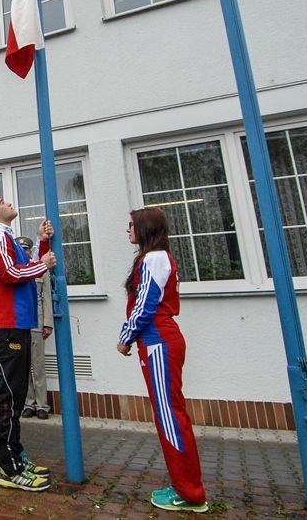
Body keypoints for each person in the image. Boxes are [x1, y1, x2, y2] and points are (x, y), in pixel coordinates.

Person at [118, 208, 208, 513]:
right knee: (170, 413)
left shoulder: (154, 258)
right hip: (156, 340)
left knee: (170, 415)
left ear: (144, 228)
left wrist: (125, 337)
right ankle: (186, 486)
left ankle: (190, 493)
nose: (127, 230)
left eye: (131, 225)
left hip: (158, 340)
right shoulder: (152, 257)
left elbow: (145, 306)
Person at [0, 194, 55, 492]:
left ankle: (17, 457)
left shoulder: (8, 237)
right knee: (6, 395)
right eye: (2, 201)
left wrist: (42, 244)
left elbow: (30, 267)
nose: (9, 202)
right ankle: (8, 468)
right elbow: (10, 275)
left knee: (17, 394)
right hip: (5, 322)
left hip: (19, 322)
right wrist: (43, 263)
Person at [16, 236, 53, 420]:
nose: (24, 252)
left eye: (26, 249)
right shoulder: (16, 271)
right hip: (19, 324)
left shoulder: (40, 269)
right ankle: (28, 403)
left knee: (38, 366)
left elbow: (46, 298)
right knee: (23, 366)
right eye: (20, 249)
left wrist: (47, 323)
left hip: (36, 322)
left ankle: (42, 405)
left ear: (31, 251)